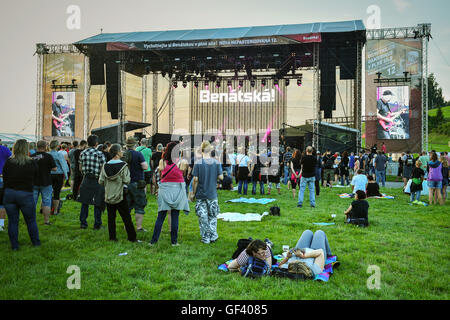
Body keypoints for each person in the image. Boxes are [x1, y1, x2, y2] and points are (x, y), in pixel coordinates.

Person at [149, 141, 190, 246]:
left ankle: (154, 241)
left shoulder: (162, 162)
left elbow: (161, 175)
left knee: (161, 216)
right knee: (175, 216)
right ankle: (174, 242)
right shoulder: (182, 162)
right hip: (177, 190)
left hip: (165, 189)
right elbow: (183, 173)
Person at [2, 139, 40, 250]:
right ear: (26, 149)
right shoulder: (31, 162)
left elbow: (5, 178)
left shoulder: (9, 162)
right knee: (31, 220)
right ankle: (36, 243)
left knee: (13, 221)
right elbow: (36, 178)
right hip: (25, 194)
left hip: (10, 193)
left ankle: (14, 246)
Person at [98, 144, 137, 242]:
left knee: (111, 217)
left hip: (109, 195)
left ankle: (112, 237)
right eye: (121, 150)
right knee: (126, 217)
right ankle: (132, 238)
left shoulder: (105, 165)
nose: (122, 152)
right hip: (120, 194)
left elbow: (101, 181)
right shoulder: (123, 166)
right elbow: (127, 180)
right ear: (117, 152)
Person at [191, 141, 223, 244]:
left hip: (201, 194)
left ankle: (206, 237)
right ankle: (213, 235)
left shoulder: (198, 162)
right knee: (213, 215)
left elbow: (195, 180)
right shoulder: (216, 162)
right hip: (212, 194)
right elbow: (221, 177)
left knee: (203, 217)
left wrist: (193, 193)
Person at [78, 135, 106, 229]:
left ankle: (83, 223)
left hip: (86, 179)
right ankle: (97, 224)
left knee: (84, 202)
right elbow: (103, 169)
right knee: (97, 202)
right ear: (96, 143)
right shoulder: (100, 154)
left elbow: (80, 168)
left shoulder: (82, 153)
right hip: (97, 180)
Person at [124, 136, 148, 232]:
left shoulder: (123, 154)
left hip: (126, 183)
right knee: (139, 205)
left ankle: (127, 226)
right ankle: (139, 227)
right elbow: (145, 167)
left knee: (127, 206)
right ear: (135, 144)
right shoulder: (138, 154)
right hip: (137, 183)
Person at [31, 141, 57, 225]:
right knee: (46, 202)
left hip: (34, 182)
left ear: (37, 146)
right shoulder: (48, 156)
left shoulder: (32, 157)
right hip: (46, 182)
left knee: (32, 202)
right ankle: (46, 221)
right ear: (45, 146)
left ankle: (31, 221)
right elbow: (54, 169)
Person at [49, 140, 69, 216]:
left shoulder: (47, 154)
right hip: (58, 175)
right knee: (57, 193)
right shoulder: (58, 155)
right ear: (57, 146)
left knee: (48, 193)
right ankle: (55, 211)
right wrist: (66, 176)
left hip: (49, 175)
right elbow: (63, 165)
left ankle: (44, 209)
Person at [0, 142, 12, 232]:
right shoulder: (5, 149)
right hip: (2, 177)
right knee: (1, 204)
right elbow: (12, 160)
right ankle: (1, 225)